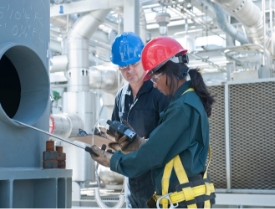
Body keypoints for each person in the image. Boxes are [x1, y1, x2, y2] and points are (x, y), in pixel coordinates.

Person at [91, 36, 216, 208]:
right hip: (172, 194)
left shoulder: (182, 107)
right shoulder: (187, 101)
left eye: (155, 78)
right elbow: (168, 145)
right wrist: (138, 144)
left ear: (168, 72)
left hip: (179, 196)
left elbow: (154, 154)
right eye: (123, 67)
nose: (155, 85)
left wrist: (112, 161)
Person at [107, 32, 170, 208]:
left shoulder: (160, 91)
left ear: (144, 58)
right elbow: (115, 132)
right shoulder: (121, 96)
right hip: (132, 184)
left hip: (159, 184)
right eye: (123, 67)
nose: (130, 71)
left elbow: (171, 139)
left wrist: (142, 145)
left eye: (134, 64)